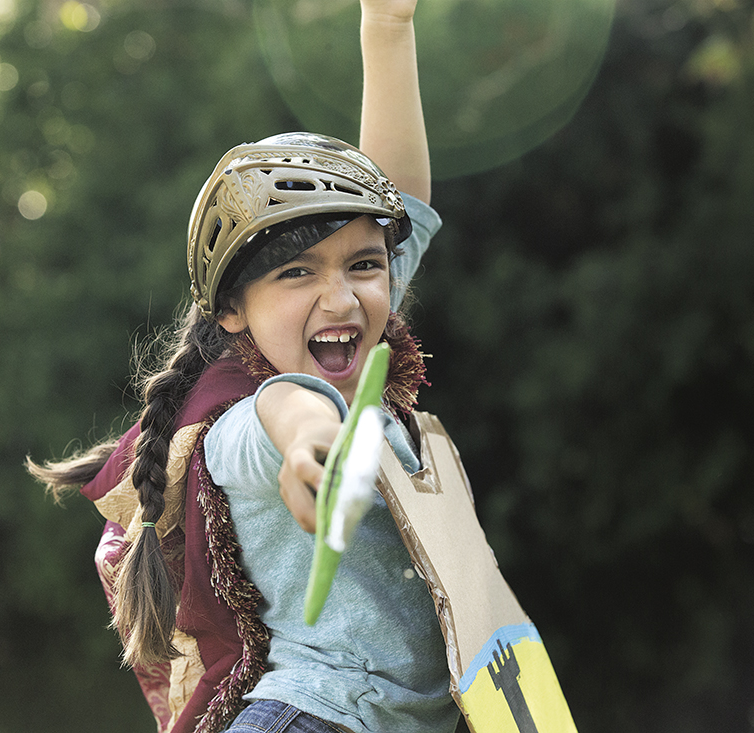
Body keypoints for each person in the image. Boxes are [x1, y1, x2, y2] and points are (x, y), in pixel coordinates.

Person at [27, 0, 457, 731]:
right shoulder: (235, 419)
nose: (340, 294)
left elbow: (402, 199)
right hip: (314, 717)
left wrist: (387, 25)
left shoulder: (358, 324)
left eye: (363, 264)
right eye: (296, 273)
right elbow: (289, 414)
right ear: (233, 311)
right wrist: (309, 451)